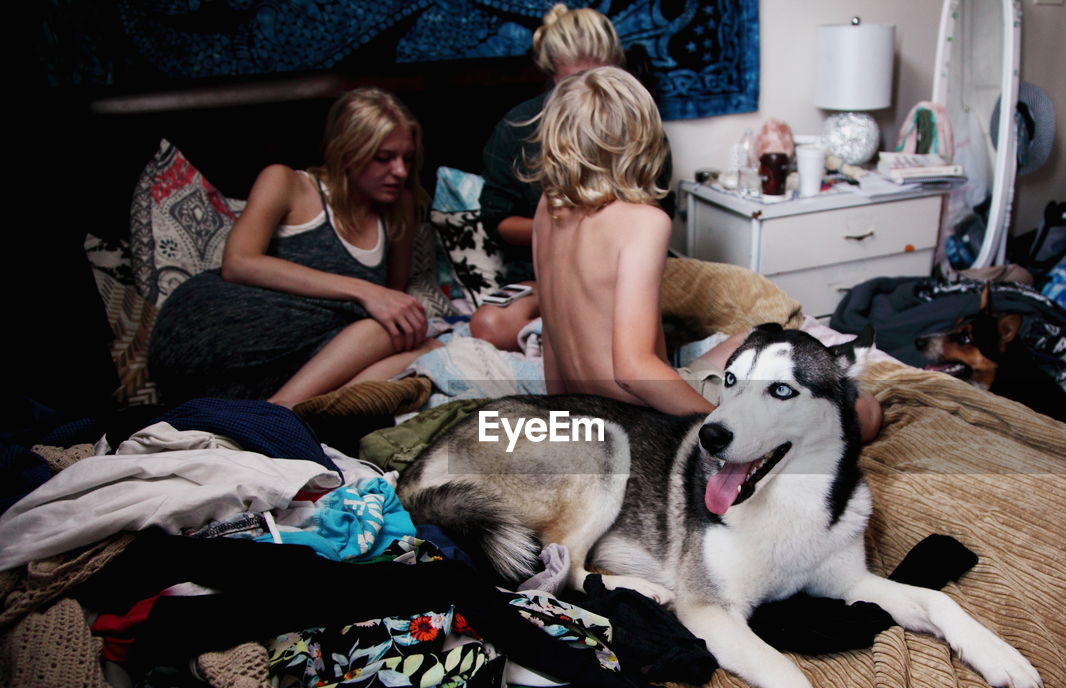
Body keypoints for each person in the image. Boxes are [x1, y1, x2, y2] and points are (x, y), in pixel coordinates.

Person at [528, 66, 884, 440]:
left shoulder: (546, 208)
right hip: (640, 418)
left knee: (757, 337)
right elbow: (632, 370)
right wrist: (722, 422)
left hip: (583, 409)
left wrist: (561, 420)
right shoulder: (643, 222)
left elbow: (552, 343)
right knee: (865, 410)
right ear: (640, 138)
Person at [149, 87, 441, 408]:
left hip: (294, 358)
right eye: (384, 158)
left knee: (426, 349)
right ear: (348, 152)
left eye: (407, 158)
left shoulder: (399, 208)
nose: (400, 171)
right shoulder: (288, 183)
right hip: (212, 331)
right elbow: (238, 263)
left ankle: (304, 412)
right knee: (390, 333)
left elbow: (392, 304)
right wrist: (364, 290)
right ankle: (280, 412)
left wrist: (381, 302)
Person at [472, 3, 673, 352]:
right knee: (489, 325)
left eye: (601, 78)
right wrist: (572, 229)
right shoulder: (518, 126)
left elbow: (655, 208)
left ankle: (566, 334)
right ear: (552, 74)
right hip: (544, 279)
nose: (589, 91)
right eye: (574, 81)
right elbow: (497, 221)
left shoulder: (641, 128)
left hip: (615, 275)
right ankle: (554, 331)